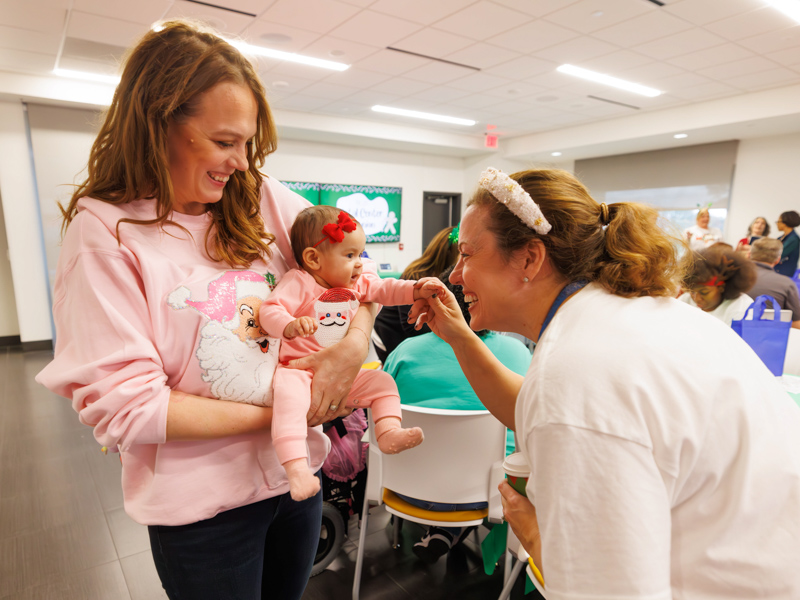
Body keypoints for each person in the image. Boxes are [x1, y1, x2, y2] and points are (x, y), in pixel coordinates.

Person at [34, 21, 374, 600]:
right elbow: (131, 407)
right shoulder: (106, 232)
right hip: (204, 511)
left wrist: (352, 346)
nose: (241, 162)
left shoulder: (260, 198)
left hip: (294, 483)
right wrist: (294, 409)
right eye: (223, 142)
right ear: (159, 123)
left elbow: (357, 273)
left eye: (247, 143)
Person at [409, 167, 800, 598]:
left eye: (466, 254)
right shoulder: (628, 317)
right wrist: (460, 337)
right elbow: (536, 405)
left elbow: (606, 589)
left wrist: (542, 541)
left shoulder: (577, 371)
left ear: (528, 258)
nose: (455, 274)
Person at [259, 205, 438, 501]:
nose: (360, 265)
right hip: (299, 371)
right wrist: (288, 325)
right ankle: (297, 469)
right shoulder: (300, 282)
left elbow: (386, 289)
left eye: (361, 255)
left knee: (383, 384)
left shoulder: (358, 284)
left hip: (343, 375)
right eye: (350, 255)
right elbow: (269, 309)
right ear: (314, 259)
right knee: (288, 404)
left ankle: (388, 430)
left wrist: (417, 290)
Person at [383, 265, 531, 564]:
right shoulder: (518, 353)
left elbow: (378, 411)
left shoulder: (405, 351)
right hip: (490, 492)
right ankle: (450, 532)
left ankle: (443, 530)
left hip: (403, 485)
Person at [372, 225, 459, 363]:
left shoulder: (445, 277)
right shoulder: (416, 276)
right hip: (389, 332)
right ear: (450, 255)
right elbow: (411, 326)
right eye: (463, 255)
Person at [677, 245, 756, 325]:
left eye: (704, 292)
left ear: (721, 287)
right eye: (692, 292)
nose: (697, 299)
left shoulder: (740, 308)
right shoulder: (685, 300)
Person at [748, 237, 800, 328]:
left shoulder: (730, 278)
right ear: (778, 259)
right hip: (769, 337)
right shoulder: (786, 284)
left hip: (729, 335)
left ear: (749, 255)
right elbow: (796, 323)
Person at [775, 210, 800, 277]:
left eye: (778, 221)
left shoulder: (793, 239)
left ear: (785, 223)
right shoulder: (781, 238)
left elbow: (777, 254)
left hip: (785, 274)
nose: (777, 224)